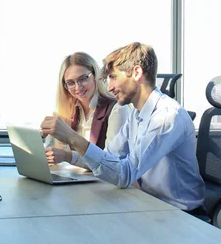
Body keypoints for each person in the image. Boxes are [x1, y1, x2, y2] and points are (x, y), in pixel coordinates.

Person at [40, 42, 205, 213]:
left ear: (136, 73)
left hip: (178, 215)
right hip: (147, 205)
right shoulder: (136, 115)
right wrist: (69, 155)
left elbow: (125, 174)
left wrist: (72, 137)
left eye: (113, 77)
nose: (109, 87)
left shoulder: (167, 117)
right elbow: (106, 159)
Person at [45, 52, 131, 168]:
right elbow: (52, 153)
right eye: (70, 83)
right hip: (78, 178)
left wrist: (68, 156)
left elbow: (112, 163)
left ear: (96, 75)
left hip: (103, 183)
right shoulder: (67, 111)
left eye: (83, 79)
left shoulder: (117, 109)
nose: (78, 87)